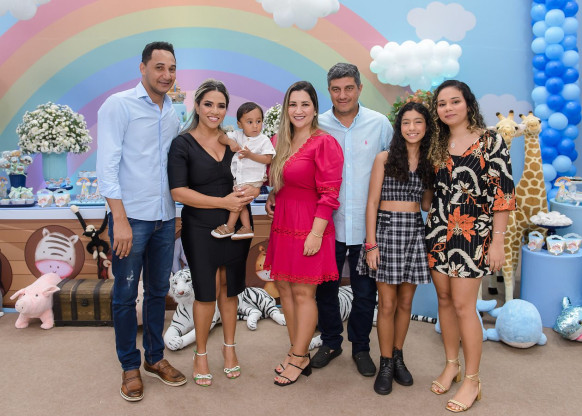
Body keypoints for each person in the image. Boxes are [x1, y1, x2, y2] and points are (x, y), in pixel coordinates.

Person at [96, 41, 186, 402]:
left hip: (164, 217)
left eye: (172, 68)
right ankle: (129, 365)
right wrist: (119, 220)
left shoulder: (173, 112)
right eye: (159, 67)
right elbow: (106, 167)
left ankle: (154, 358)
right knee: (124, 294)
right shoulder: (118, 105)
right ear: (143, 68)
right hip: (130, 218)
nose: (166, 75)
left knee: (157, 292)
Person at [425, 80, 516, 412]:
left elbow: (503, 195)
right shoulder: (436, 142)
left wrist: (497, 242)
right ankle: (452, 364)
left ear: (468, 103)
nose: (448, 108)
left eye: (455, 101)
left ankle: (473, 379)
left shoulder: (491, 140)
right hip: (438, 231)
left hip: (474, 233)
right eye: (442, 103)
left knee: (465, 306)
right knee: (445, 301)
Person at [167, 79, 259, 387]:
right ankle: (201, 354)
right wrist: (223, 202)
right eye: (208, 104)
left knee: (230, 289)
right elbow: (178, 192)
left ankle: (229, 349)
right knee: (206, 292)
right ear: (196, 106)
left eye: (221, 105)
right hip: (200, 227)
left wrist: (253, 190)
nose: (214, 111)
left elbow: (253, 174)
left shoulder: (234, 141)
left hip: (237, 226)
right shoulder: (182, 144)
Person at [313, 63, 393, 376]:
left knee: (365, 294)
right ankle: (331, 342)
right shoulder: (317, 125)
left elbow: (394, 169)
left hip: (367, 227)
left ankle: (360, 347)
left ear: (360, 88)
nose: (342, 95)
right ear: (329, 91)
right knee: (325, 290)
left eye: (349, 88)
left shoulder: (380, 124)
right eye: (336, 89)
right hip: (327, 225)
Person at [264, 81, 343, 387]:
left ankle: (299, 357)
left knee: (303, 293)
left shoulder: (324, 142)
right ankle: (295, 350)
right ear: (286, 108)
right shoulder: (279, 140)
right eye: (293, 104)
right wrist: (274, 194)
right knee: (284, 288)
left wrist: (316, 233)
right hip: (284, 222)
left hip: (310, 224)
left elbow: (330, 194)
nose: (298, 110)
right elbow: (280, 178)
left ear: (314, 108)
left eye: (305, 104)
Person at [356, 101, 434, 395]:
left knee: (405, 303)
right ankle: (386, 362)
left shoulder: (429, 162)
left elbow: (425, 205)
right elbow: (372, 203)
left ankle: (398, 356)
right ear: (399, 127)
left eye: (418, 122)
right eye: (406, 122)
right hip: (386, 232)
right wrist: (371, 244)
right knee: (387, 304)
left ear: (426, 127)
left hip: (413, 231)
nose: (412, 128)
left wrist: (436, 178)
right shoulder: (385, 158)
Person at [212, 102, 276, 240]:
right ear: (240, 124)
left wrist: (250, 155)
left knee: (238, 201)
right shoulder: (237, 135)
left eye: (258, 121)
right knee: (242, 204)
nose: (255, 126)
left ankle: (229, 226)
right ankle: (246, 228)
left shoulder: (263, 140)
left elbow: (268, 159)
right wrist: (231, 142)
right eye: (250, 122)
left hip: (253, 180)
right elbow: (221, 137)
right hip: (240, 179)